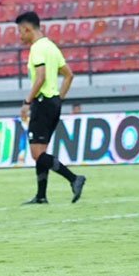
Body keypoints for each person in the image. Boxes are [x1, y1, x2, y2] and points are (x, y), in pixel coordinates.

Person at [15, 11, 86, 205]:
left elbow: (41, 77)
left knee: (37, 154)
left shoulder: (37, 48)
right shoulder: (52, 47)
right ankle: (41, 196)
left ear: (28, 29)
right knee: (42, 151)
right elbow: (69, 75)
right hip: (53, 102)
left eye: (20, 31)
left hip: (42, 102)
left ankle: (74, 179)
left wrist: (27, 102)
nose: (19, 36)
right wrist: (59, 98)